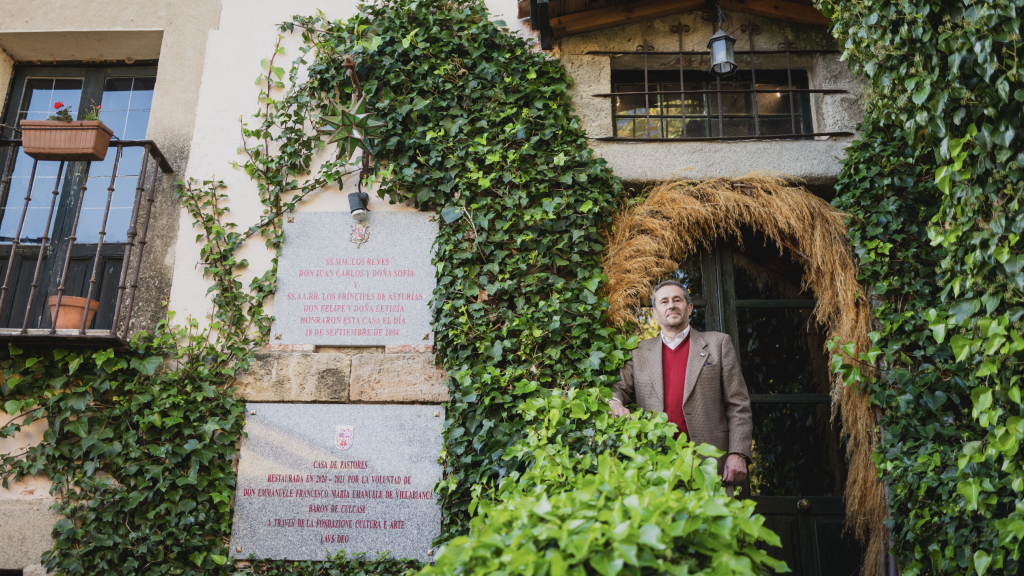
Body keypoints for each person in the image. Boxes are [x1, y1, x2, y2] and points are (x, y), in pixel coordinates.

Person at [610, 280, 753, 485]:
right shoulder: (639, 352)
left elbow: (738, 405)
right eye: (664, 301)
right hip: (655, 464)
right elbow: (619, 388)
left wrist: (738, 452)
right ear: (654, 312)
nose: (671, 305)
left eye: (678, 300)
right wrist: (614, 402)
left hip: (711, 464)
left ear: (690, 308)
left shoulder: (718, 344)